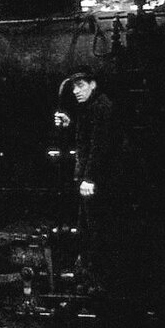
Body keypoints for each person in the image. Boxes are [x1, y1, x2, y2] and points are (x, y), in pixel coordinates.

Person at [54, 68, 121, 291]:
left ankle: (101, 283)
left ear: (93, 85)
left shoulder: (102, 107)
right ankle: (91, 279)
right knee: (87, 230)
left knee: (96, 230)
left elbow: (100, 145)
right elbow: (87, 137)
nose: (76, 91)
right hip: (91, 181)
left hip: (98, 183)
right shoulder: (90, 108)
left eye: (81, 85)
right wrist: (69, 123)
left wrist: (90, 178)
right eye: (73, 87)